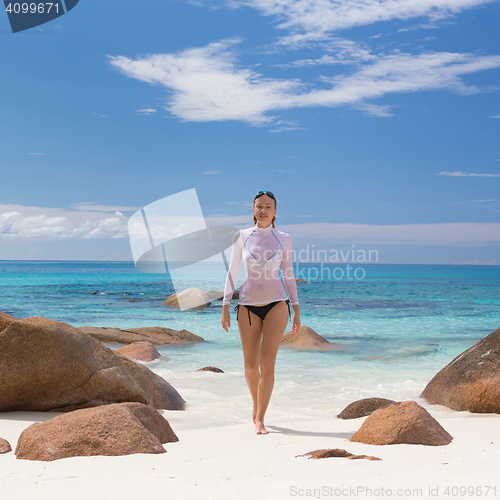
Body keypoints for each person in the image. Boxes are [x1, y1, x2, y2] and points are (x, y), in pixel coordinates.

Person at [221, 190, 300, 435]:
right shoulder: (241, 236)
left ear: (275, 211)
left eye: (268, 206)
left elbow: (288, 274)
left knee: (267, 363)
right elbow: (233, 271)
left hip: (277, 303)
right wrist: (225, 305)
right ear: (253, 210)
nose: (263, 210)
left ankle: (260, 419)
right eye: (259, 206)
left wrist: (296, 308)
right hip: (247, 305)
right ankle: (255, 407)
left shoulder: (283, 238)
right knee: (250, 365)